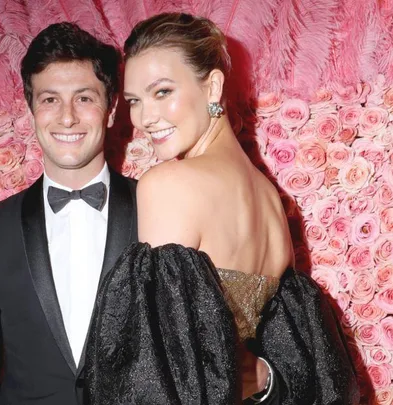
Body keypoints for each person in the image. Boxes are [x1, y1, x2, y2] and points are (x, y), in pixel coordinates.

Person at [84, 13, 360, 405]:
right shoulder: (270, 200)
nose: (145, 118)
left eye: (162, 92)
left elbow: (154, 377)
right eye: (134, 101)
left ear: (212, 86)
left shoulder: (166, 184)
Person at [0, 22, 137, 405]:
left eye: (84, 98)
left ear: (111, 108)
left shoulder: (157, 208)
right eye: (50, 99)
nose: (67, 117)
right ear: (31, 109)